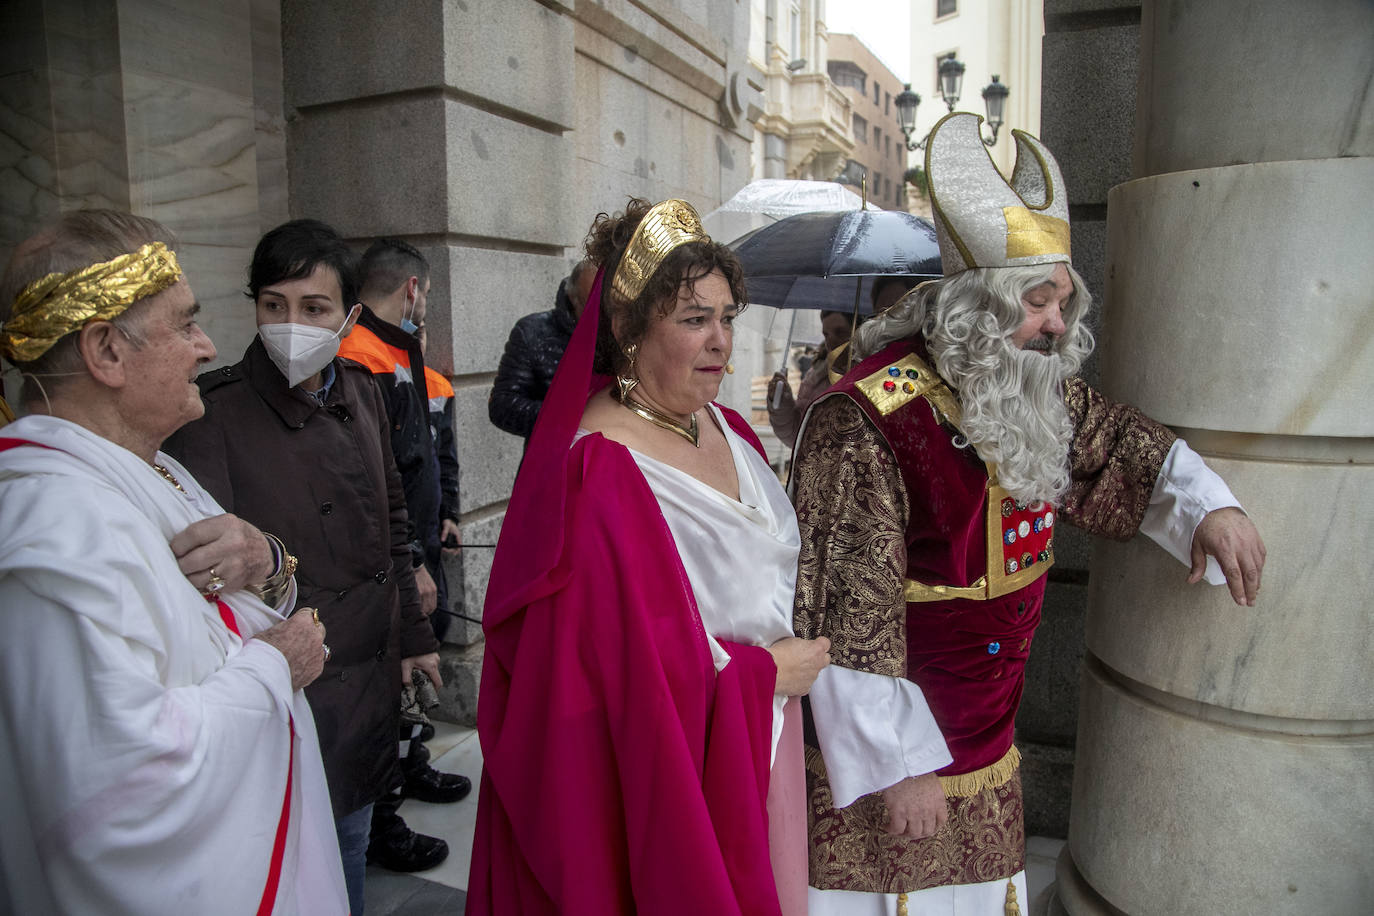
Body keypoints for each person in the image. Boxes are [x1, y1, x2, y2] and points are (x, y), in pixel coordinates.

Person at [791, 113, 1267, 915]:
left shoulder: (1026, 385)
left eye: (1062, 302)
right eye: (1037, 302)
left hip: (989, 741)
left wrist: (1209, 509)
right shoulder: (867, 418)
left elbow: (1114, 444)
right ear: (977, 310)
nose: (1056, 325)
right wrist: (898, 762)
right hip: (899, 761)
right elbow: (844, 605)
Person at [467, 199, 832, 916]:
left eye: (727, 317)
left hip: (758, 739)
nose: (720, 341)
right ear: (628, 328)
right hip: (675, 780)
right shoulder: (598, 470)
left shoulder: (730, 427)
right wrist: (762, 675)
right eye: (694, 319)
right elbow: (598, 687)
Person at [0, 210, 347, 915]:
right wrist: (275, 667)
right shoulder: (54, 527)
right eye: (186, 324)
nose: (206, 346)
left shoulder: (149, 468)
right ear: (106, 351)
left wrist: (268, 562)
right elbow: (121, 798)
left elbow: (222, 609)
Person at [160, 219, 446, 910]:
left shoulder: (364, 390)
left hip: (366, 677)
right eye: (274, 305)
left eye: (314, 308)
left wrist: (412, 637)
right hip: (286, 686)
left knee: (349, 844)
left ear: (348, 316)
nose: (292, 325)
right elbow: (199, 580)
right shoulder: (212, 415)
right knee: (303, 866)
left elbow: (393, 522)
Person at [346, 237, 472, 871]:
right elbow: (378, 478)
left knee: (413, 675)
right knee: (389, 683)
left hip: (415, 545)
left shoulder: (399, 350)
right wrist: (411, 562)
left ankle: (411, 764)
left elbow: (423, 456)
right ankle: (382, 820)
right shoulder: (360, 358)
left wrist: (442, 517)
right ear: (412, 289)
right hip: (389, 561)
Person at [488, 259, 596, 439]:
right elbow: (502, 406)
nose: (603, 315)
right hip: (554, 450)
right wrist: (568, 417)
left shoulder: (626, 331)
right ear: (573, 298)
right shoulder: (533, 332)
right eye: (592, 304)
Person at [766, 309, 862, 447]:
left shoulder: (867, 376)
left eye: (840, 332)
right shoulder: (816, 372)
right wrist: (782, 402)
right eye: (826, 334)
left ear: (859, 332)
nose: (831, 341)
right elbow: (796, 436)